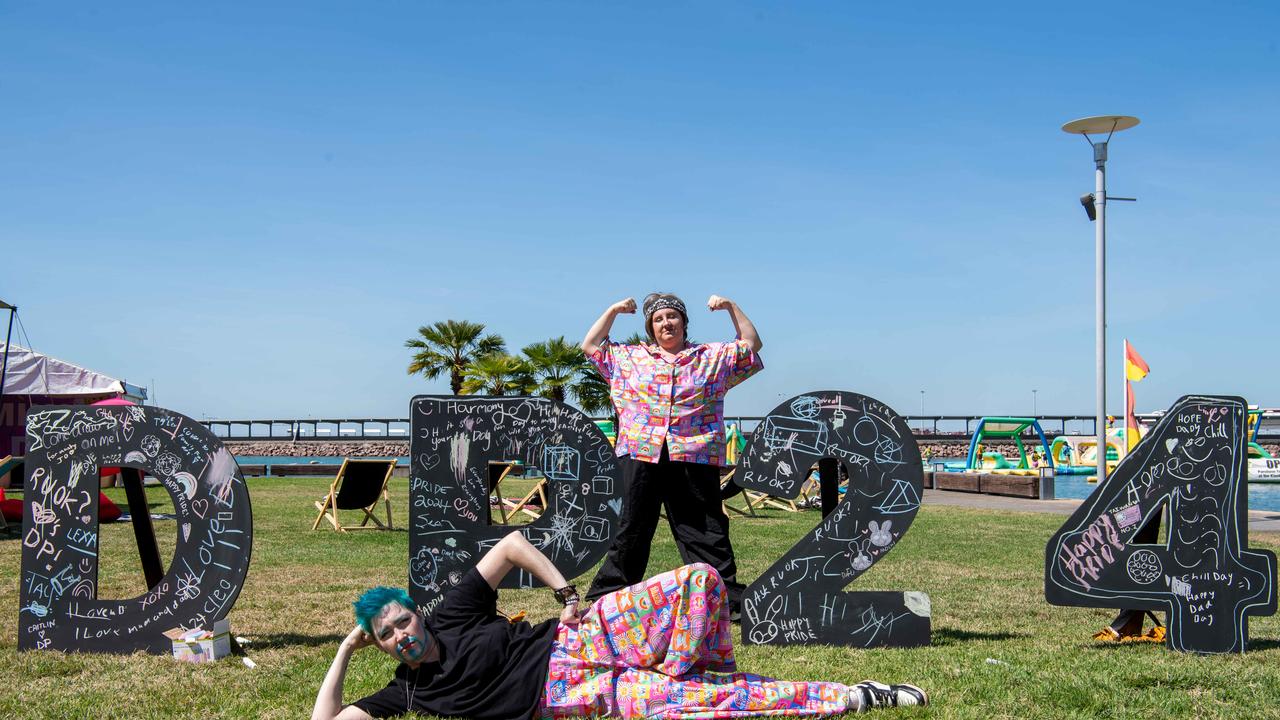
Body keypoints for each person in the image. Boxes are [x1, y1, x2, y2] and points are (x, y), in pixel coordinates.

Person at [311, 531, 927, 719]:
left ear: (417, 613)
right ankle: (850, 696)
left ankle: (694, 669)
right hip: (566, 694)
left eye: (403, 619)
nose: (404, 634)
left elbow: (510, 544)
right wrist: (344, 650)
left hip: (579, 635)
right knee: (700, 706)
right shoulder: (406, 691)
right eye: (389, 634)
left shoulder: (450, 612)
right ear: (382, 644)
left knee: (701, 581)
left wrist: (564, 592)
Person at [580, 293, 762, 616]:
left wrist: (731, 306)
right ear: (651, 328)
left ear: (684, 322)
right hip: (640, 453)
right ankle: (608, 597)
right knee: (631, 525)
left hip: (694, 453)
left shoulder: (709, 357)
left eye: (672, 317)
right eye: (659, 319)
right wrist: (613, 310)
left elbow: (750, 344)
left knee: (704, 528)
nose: (667, 323)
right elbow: (591, 345)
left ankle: (724, 600)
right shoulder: (630, 358)